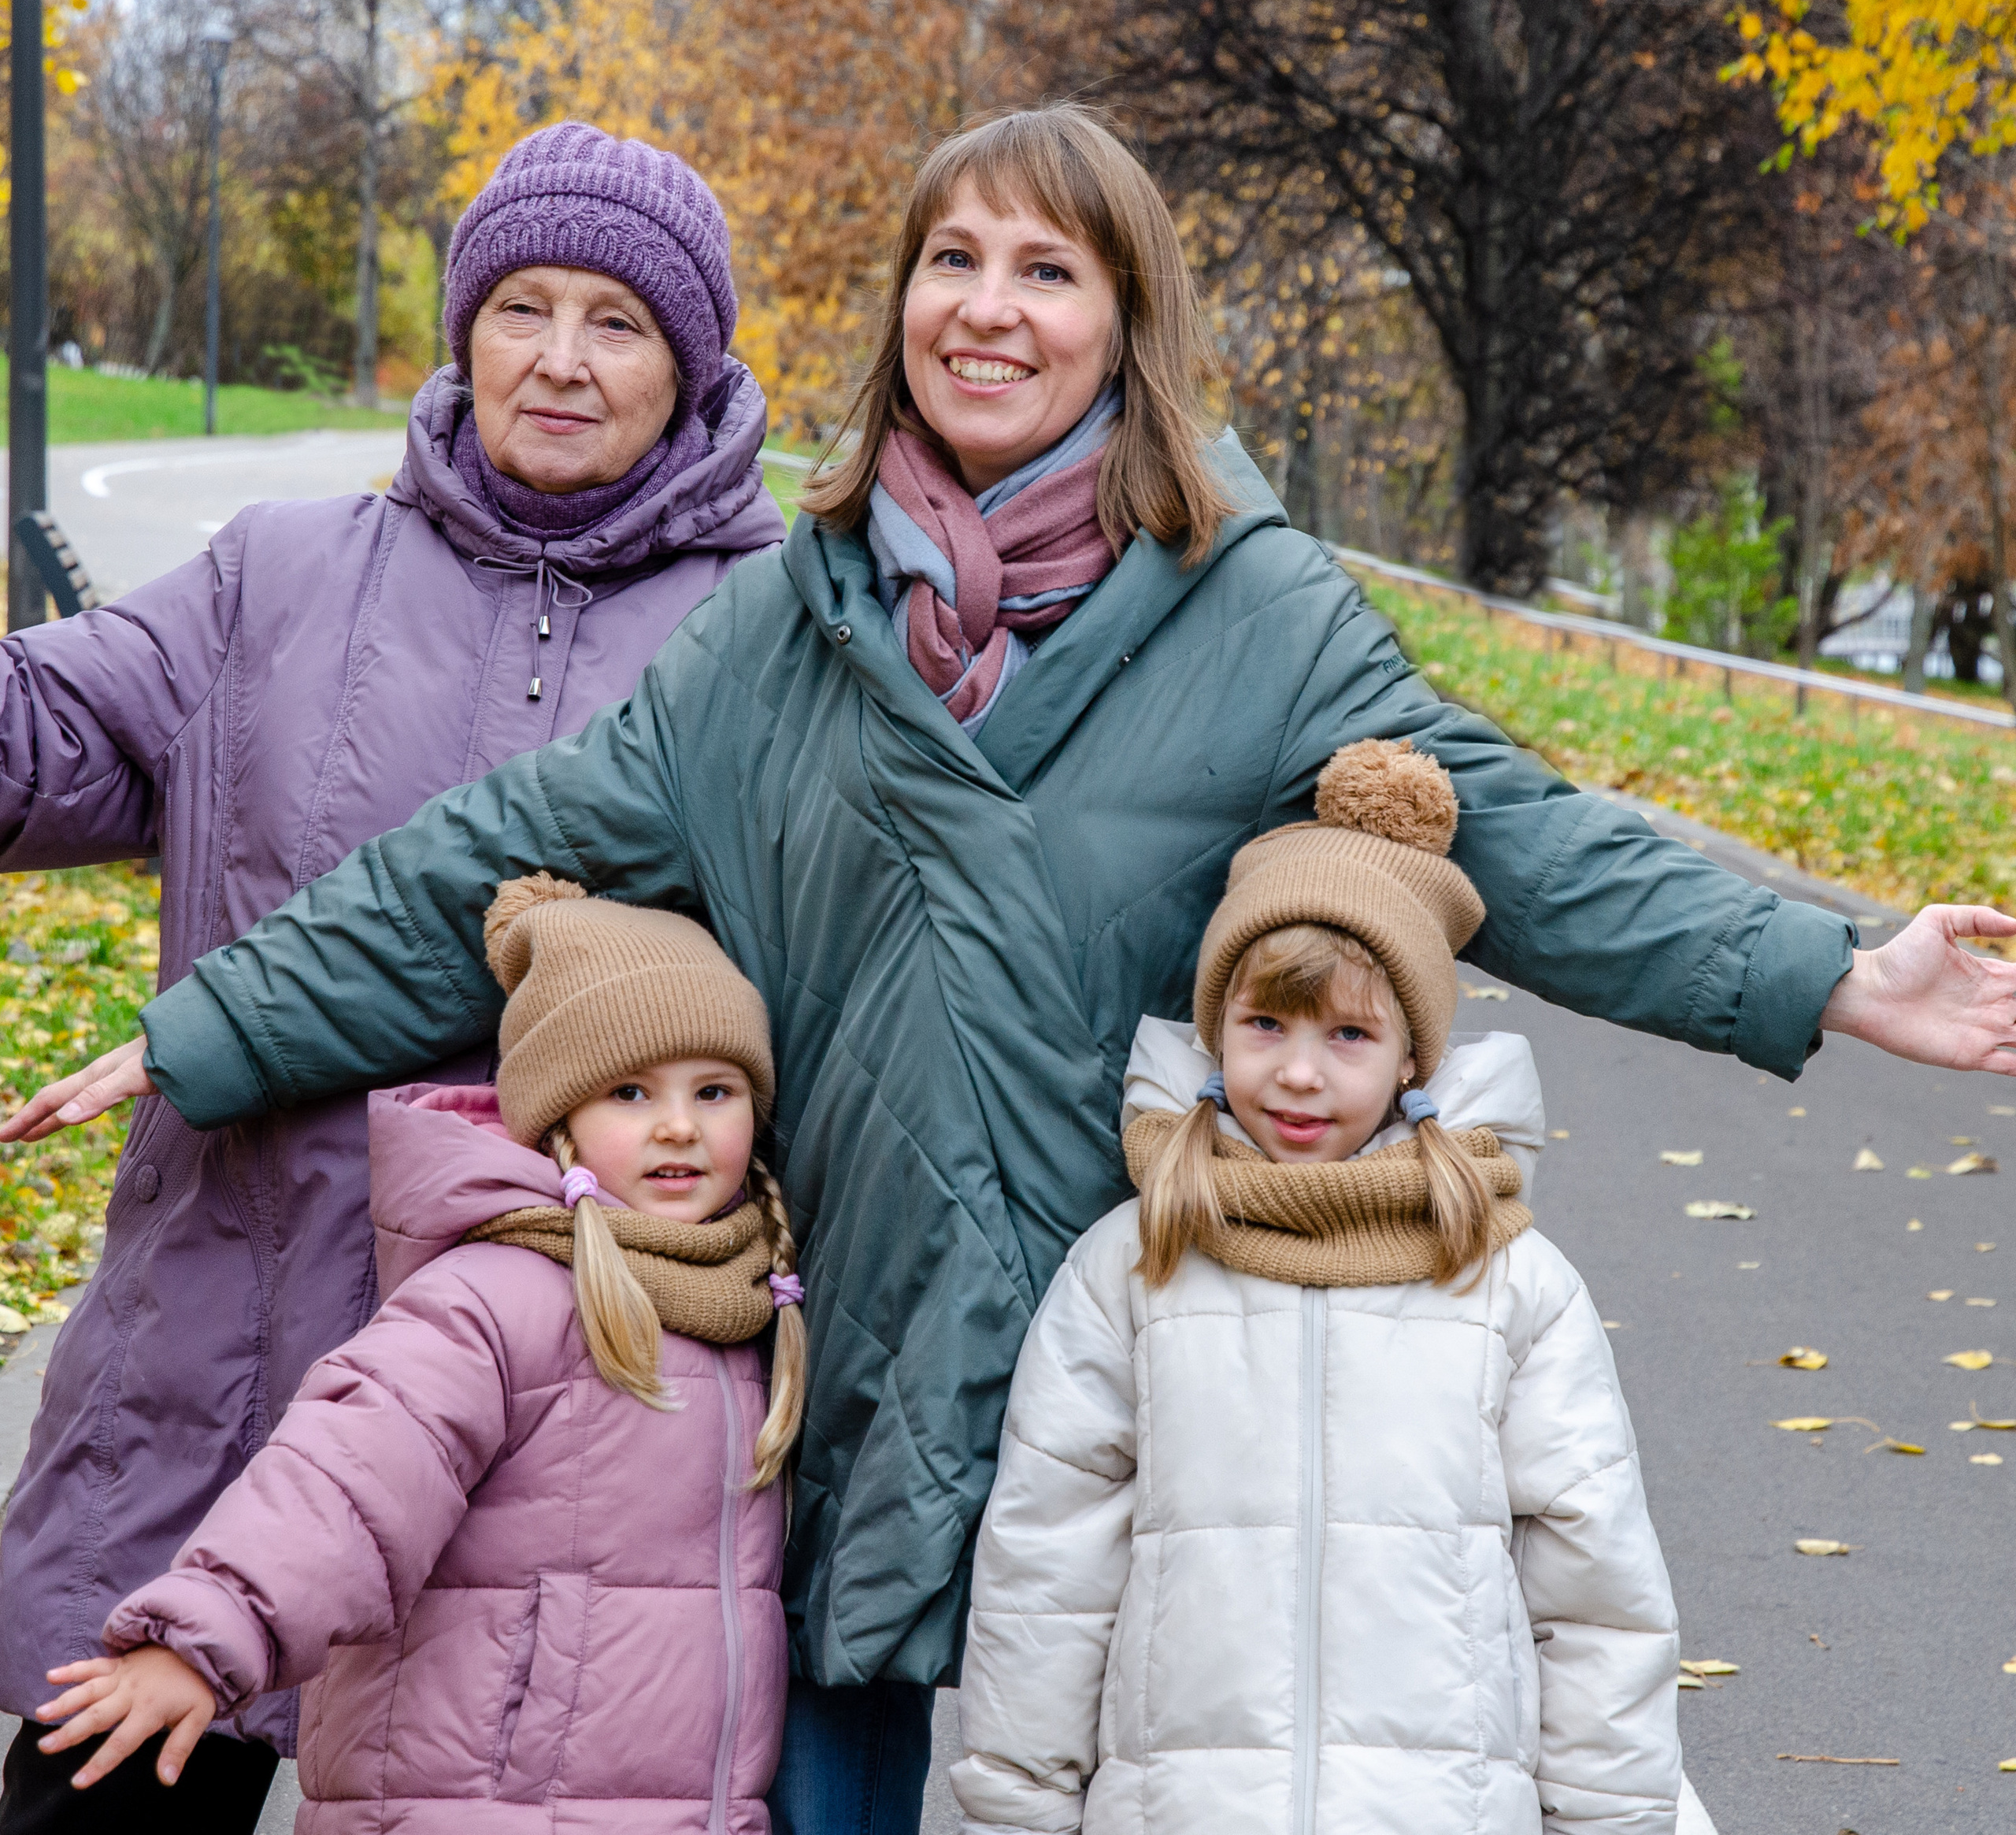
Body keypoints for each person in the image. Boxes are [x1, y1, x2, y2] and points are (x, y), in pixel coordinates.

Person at [6, 102, 2012, 1835]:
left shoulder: (1256, 613)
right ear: (895, 309)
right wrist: (211, 1026)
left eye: (1045, 267)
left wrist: (1833, 968)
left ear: (1122, 322)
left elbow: (1517, 835)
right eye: (947, 257)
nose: (986, 302)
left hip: (1134, 1364)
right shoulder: (778, 627)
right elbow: (479, 859)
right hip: (836, 1367)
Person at [0, 121, 784, 1831]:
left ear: (695, 357)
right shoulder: (276, 576)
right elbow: (40, 729)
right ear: (461, 326)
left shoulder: (779, 631)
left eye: (618, 321)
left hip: (573, 1467)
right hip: (210, 1376)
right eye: (519, 306)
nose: (559, 359)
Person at [951, 738, 1685, 1834]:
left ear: (1411, 1060)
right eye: (1266, 1025)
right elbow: (1047, 1571)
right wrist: (1017, 1807)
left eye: (1349, 1033)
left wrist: (1614, 1817)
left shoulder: (1504, 1279)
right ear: (1215, 1033)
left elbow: (1597, 1591)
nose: (1299, 1072)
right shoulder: (1134, 1263)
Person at [30, 879, 801, 1829]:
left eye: (713, 1091)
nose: (678, 1125)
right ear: (556, 1117)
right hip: (471, 1801)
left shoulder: (743, 1302)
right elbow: (349, 1479)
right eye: (631, 1091)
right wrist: (204, 1635)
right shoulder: (494, 1294)